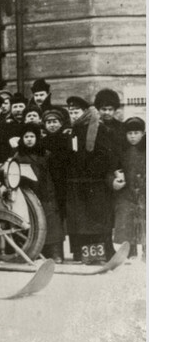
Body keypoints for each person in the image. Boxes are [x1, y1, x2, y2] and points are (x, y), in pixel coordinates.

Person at [63, 96, 119, 261]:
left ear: (85, 112)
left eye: (76, 112)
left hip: (95, 182)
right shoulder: (73, 129)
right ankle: (82, 253)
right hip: (77, 182)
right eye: (71, 112)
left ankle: (104, 251)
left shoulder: (99, 129)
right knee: (81, 221)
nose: (73, 115)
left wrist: (92, 171)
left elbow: (106, 155)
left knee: (98, 219)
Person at [14, 123, 65, 262]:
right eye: (26, 136)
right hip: (28, 195)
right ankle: (36, 252)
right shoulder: (18, 156)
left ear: (37, 138)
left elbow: (55, 174)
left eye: (32, 136)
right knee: (33, 224)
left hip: (47, 193)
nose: (29, 139)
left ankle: (56, 253)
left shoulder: (46, 154)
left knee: (52, 223)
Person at [112, 117, 146, 260]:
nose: (132, 136)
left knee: (146, 220)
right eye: (129, 133)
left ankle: (147, 249)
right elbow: (112, 168)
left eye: (136, 133)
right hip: (126, 192)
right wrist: (115, 178)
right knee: (128, 220)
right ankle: (131, 250)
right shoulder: (121, 151)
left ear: (143, 133)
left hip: (145, 191)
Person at [94, 88, 125, 158]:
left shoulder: (122, 127)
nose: (107, 112)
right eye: (104, 109)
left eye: (110, 109)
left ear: (115, 110)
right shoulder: (92, 128)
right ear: (98, 109)